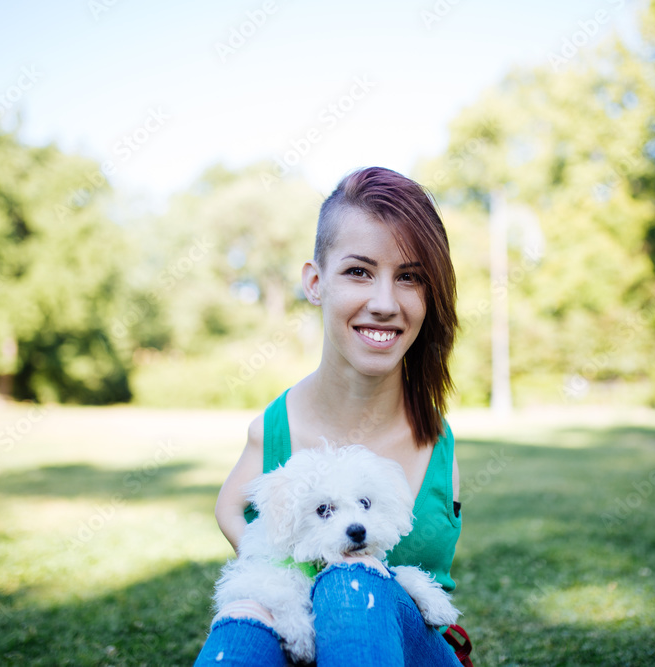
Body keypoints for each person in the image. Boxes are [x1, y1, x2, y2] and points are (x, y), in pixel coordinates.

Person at [194, 167, 463, 666]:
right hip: (303, 639)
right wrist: (279, 579)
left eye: (409, 277)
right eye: (359, 271)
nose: (384, 303)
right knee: (245, 619)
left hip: (415, 649)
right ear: (315, 283)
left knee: (351, 580)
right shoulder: (272, 431)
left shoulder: (436, 437)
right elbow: (228, 508)